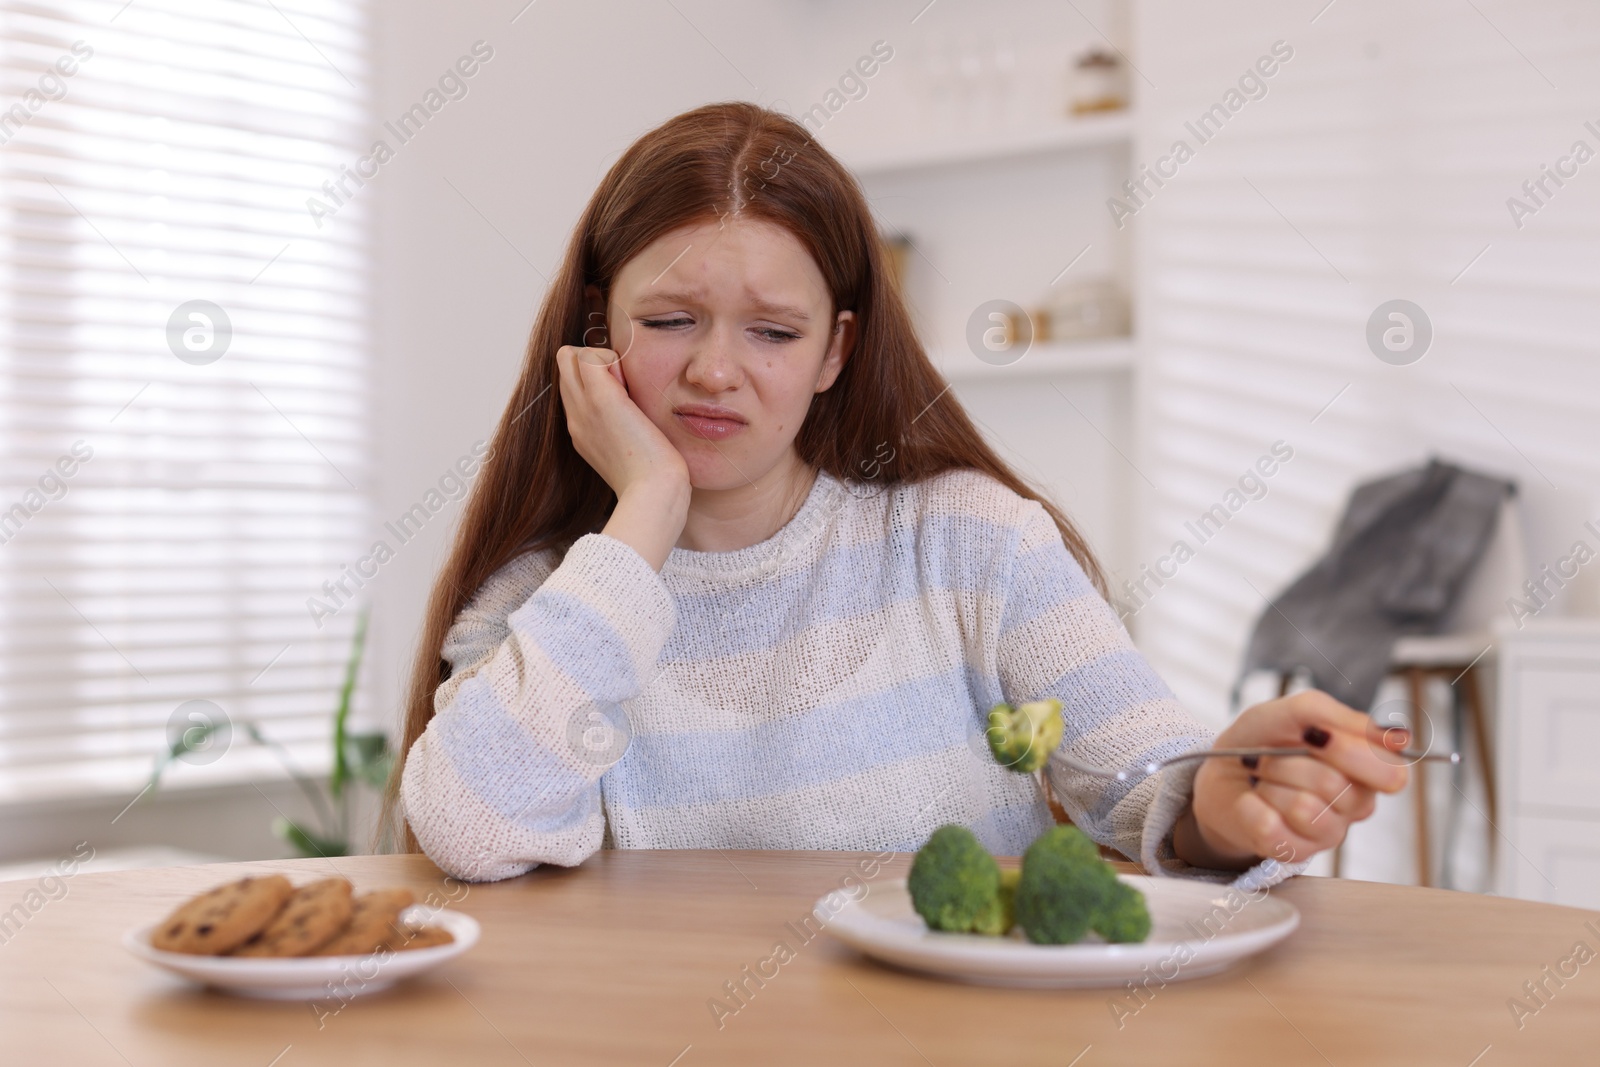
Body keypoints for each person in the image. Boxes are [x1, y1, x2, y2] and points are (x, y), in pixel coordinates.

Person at [386, 101, 1407, 886]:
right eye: (669, 321)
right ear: (600, 325)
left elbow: (1145, 782)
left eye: (773, 333)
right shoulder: (555, 603)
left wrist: (1225, 799)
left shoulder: (969, 541)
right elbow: (474, 828)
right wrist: (645, 508)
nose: (714, 371)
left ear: (835, 350)